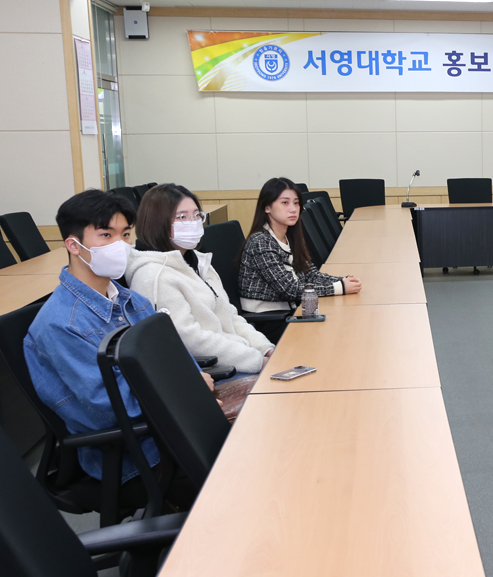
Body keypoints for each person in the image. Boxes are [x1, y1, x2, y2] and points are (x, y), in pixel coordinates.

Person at [23, 189, 215, 487]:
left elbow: (175, 354)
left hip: (179, 423)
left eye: (125, 234)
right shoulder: (60, 324)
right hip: (140, 453)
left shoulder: (132, 300)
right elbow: (112, 409)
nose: (121, 245)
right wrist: (188, 388)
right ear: (74, 245)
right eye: (106, 235)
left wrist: (191, 380)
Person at [125, 184, 275, 373]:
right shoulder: (154, 276)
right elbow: (190, 340)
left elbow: (229, 316)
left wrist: (266, 349)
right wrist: (257, 361)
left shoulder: (197, 261)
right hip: (213, 371)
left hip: (239, 358)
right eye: (182, 217)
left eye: (197, 215)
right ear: (157, 223)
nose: (193, 222)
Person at [238, 177, 361, 314]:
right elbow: (289, 290)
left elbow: (311, 275)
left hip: (291, 308)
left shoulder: (291, 237)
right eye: (285, 203)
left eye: (296, 203)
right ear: (267, 207)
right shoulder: (261, 242)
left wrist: (343, 281)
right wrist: (339, 287)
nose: (293, 209)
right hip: (269, 316)